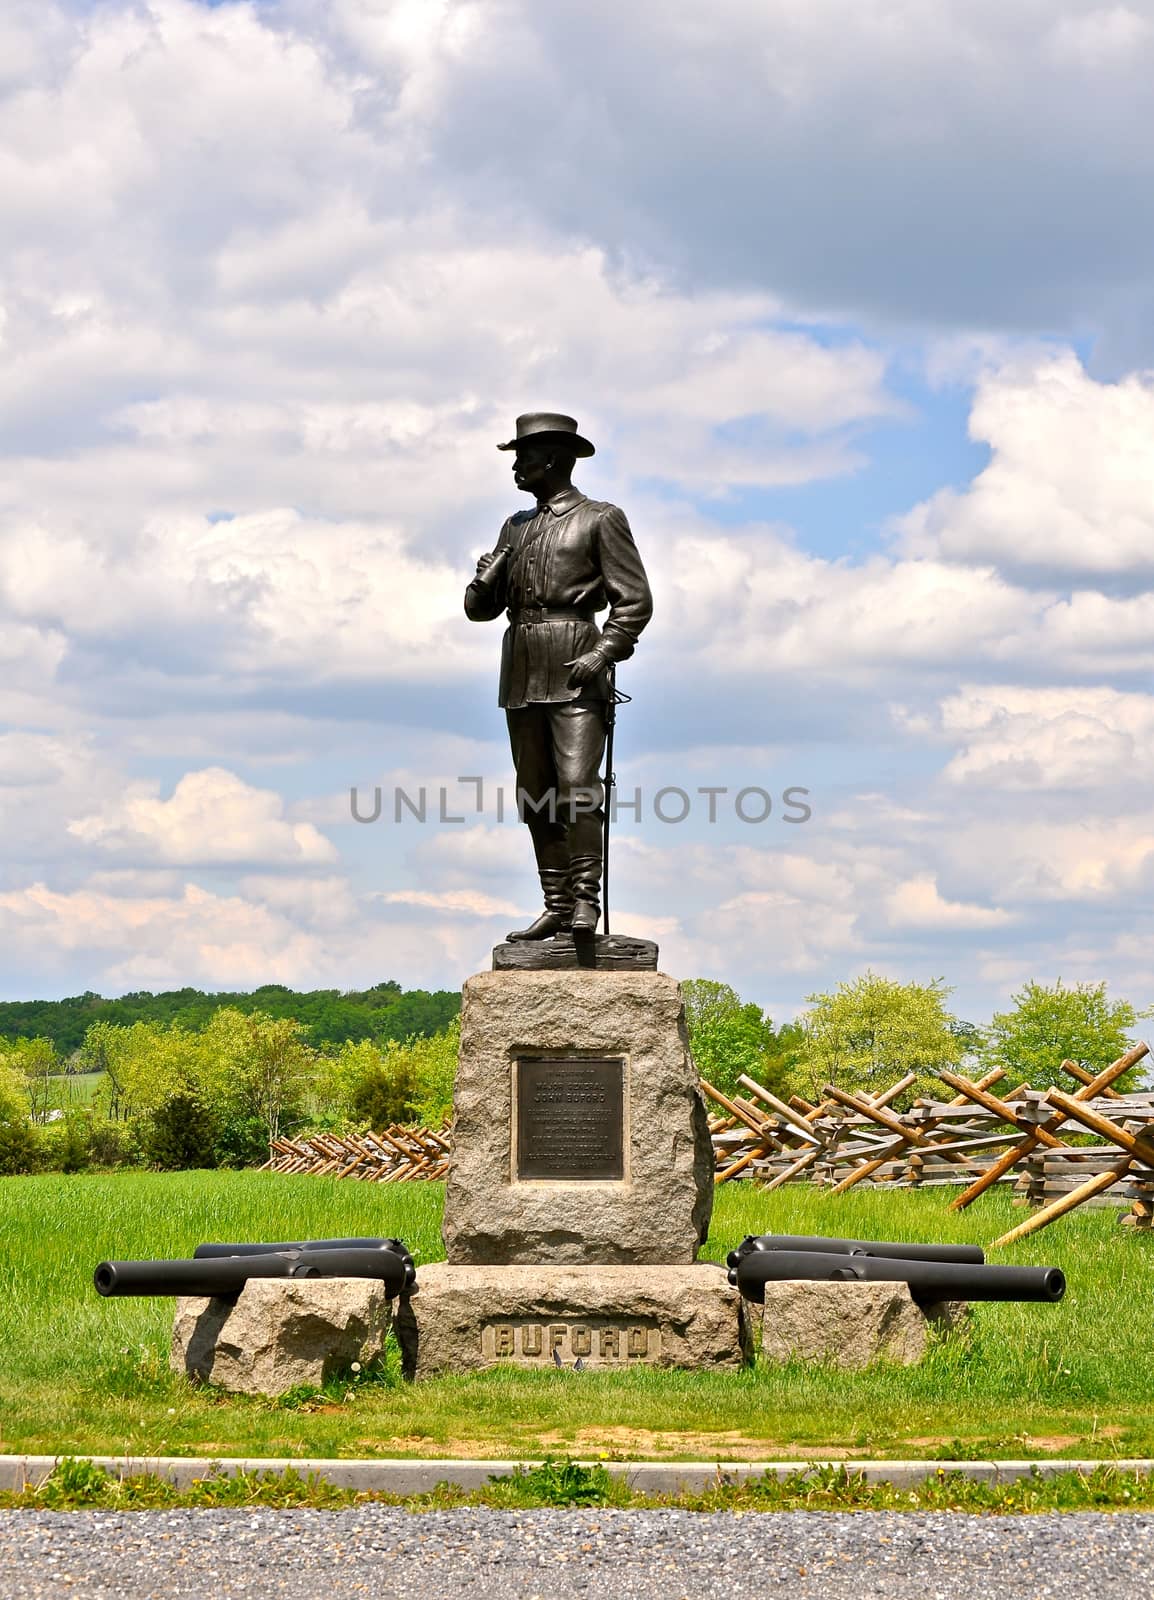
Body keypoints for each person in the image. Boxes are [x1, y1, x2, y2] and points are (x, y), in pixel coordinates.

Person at [465, 413, 653, 938]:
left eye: (523, 457)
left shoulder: (600, 518)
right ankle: (556, 903)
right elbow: (479, 611)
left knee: (576, 789)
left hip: (574, 662)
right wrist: (483, 580)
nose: (517, 467)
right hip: (522, 664)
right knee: (536, 791)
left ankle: (586, 902)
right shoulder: (515, 527)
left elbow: (634, 601)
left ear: (552, 459)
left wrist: (605, 653)